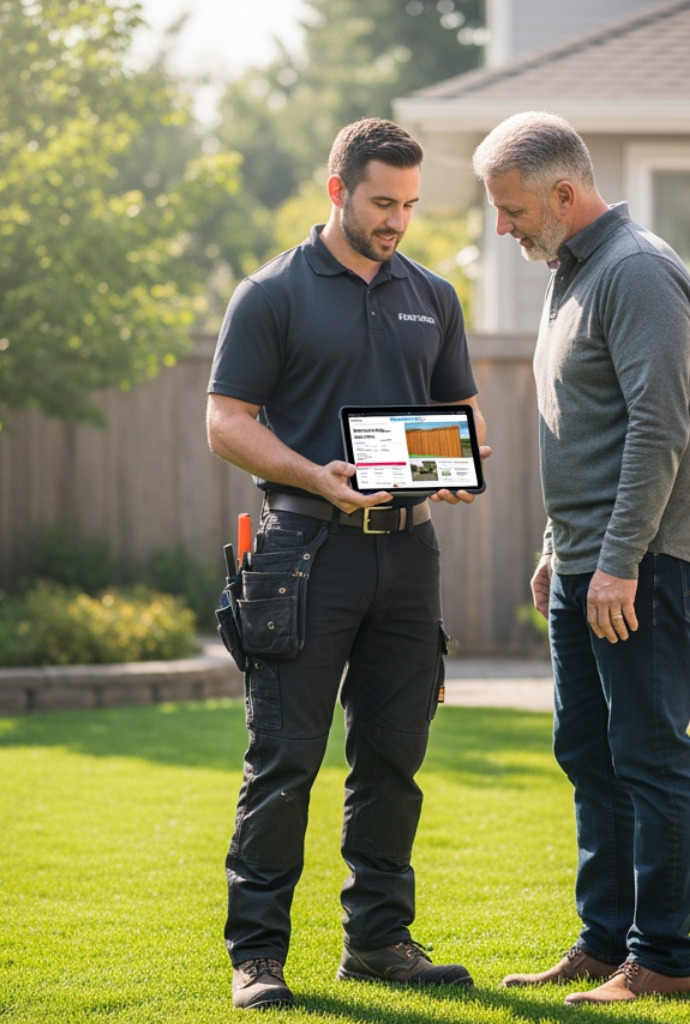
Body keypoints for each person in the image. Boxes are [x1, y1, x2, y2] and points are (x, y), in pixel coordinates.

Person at [206, 117, 487, 1011]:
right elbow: (227, 424)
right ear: (337, 191)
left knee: (393, 758)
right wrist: (313, 477)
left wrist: (456, 470)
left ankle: (378, 941)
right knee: (285, 757)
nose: (398, 219)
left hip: (409, 556)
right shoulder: (273, 293)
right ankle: (258, 956)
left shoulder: (434, 295)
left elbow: (462, 413)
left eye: (409, 204)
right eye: (381, 202)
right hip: (301, 554)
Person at [471, 111, 690, 1005]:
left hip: (646, 562)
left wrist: (615, 561)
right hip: (588, 561)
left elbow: (658, 429)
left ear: (564, 195)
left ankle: (661, 960)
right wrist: (559, 547)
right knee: (588, 750)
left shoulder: (638, 273)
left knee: (648, 756)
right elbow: (583, 427)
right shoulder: (574, 274)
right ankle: (602, 940)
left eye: (511, 211)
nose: (503, 229)